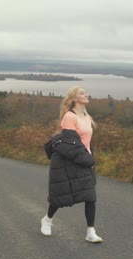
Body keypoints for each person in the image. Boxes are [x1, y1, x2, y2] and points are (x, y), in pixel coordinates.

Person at [41, 85, 103, 243]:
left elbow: (86, 142)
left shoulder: (87, 117)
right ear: (75, 98)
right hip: (70, 161)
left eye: (85, 92)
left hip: (84, 160)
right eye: (82, 93)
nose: (86, 94)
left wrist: (89, 157)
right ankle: (47, 220)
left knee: (90, 196)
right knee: (60, 196)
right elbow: (69, 144)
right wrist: (87, 159)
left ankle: (90, 231)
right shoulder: (69, 116)